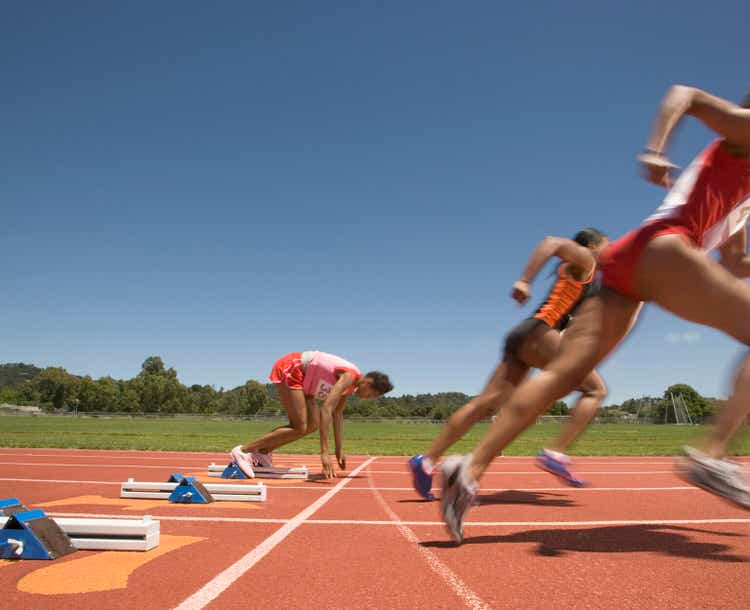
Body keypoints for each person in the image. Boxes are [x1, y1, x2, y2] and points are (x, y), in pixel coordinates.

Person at [440, 84, 750, 543]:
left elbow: (735, 263)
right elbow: (685, 94)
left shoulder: (743, 203)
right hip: (665, 248)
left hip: (632, 262)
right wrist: (655, 149)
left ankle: (468, 468)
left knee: (566, 373)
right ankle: (713, 453)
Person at [407, 228, 609, 499]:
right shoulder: (586, 259)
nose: (608, 252)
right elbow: (551, 242)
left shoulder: (581, 272)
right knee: (594, 390)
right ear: (594, 244)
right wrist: (525, 280)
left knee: (487, 401)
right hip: (542, 333)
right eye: (606, 246)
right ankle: (556, 453)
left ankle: (427, 460)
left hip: (524, 334)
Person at [231, 351, 393, 478]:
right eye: (371, 395)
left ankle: (262, 452)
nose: (368, 398)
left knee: (312, 426)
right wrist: (324, 454)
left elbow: (337, 414)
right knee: (299, 427)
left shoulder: (349, 387)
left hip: (307, 387)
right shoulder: (350, 376)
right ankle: (244, 450)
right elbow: (327, 409)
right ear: (369, 383)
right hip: (292, 367)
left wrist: (339, 449)